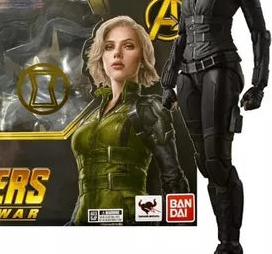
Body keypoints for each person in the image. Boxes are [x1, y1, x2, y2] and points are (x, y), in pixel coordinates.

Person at [161, 0, 270, 254]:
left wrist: (259, 83)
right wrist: (167, 82)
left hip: (220, 71)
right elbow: (181, 37)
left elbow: (260, 33)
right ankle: (222, 246)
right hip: (188, 77)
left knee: (219, 162)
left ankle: (231, 252)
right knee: (206, 166)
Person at [70, 16, 190, 225]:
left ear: (142, 58)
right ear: (101, 57)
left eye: (128, 46)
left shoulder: (147, 108)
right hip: (83, 222)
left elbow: (174, 180)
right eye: (109, 47)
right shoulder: (90, 117)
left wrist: (174, 232)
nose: (117, 53)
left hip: (130, 220)